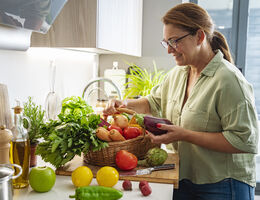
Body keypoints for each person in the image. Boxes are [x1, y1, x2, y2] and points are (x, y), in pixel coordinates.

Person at [103, 3, 259, 200]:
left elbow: (244, 141)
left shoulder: (229, 81)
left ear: (200, 37)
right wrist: (123, 104)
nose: (169, 50)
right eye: (166, 42)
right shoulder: (179, 73)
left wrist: (184, 135)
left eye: (174, 41)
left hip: (223, 185)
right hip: (183, 178)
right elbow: (153, 101)